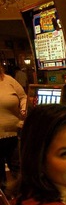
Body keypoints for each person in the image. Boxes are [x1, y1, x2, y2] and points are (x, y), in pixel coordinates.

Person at [0, 64, 26, 192]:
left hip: (13, 134)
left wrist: (23, 107)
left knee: (19, 171)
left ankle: (23, 204)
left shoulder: (9, 80)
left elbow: (23, 96)